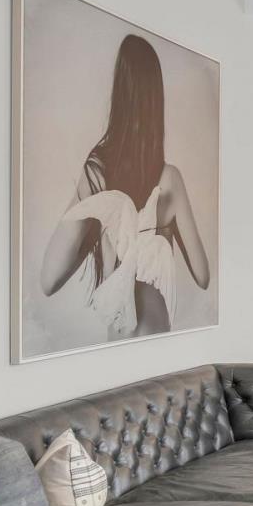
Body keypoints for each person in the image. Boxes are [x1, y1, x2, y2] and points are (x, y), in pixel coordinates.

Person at [40, 34, 211, 339]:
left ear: (118, 94)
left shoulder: (97, 174)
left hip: (119, 348)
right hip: (159, 342)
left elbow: (48, 280)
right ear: (156, 101)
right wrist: (165, 228)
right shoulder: (170, 179)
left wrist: (97, 226)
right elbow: (202, 275)